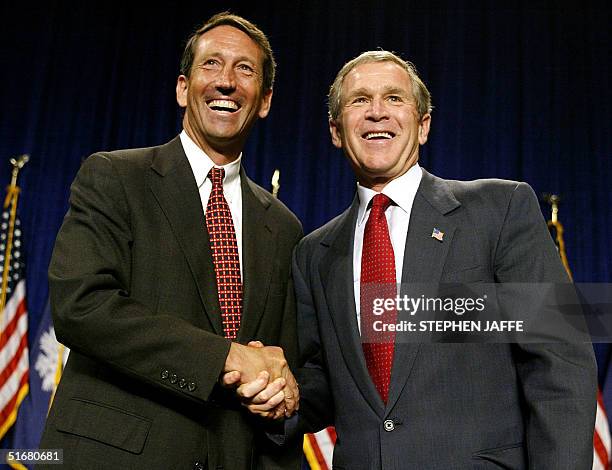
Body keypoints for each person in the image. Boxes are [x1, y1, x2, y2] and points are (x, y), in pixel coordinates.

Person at [238, 50, 597, 469]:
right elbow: (324, 385)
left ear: (423, 125)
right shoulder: (313, 254)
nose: (376, 113)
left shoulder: (500, 209)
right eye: (359, 100)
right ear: (336, 131)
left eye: (394, 98)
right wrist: (282, 396)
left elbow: (562, 360)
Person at [39, 12, 302, 469]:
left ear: (264, 100)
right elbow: (81, 307)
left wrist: (282, 392)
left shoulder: (283, 227)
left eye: (245, 69)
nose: (226, 82)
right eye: (211, 65)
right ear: (183, 88)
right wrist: (223, 357)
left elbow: (281, 359)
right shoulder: (115, 176)